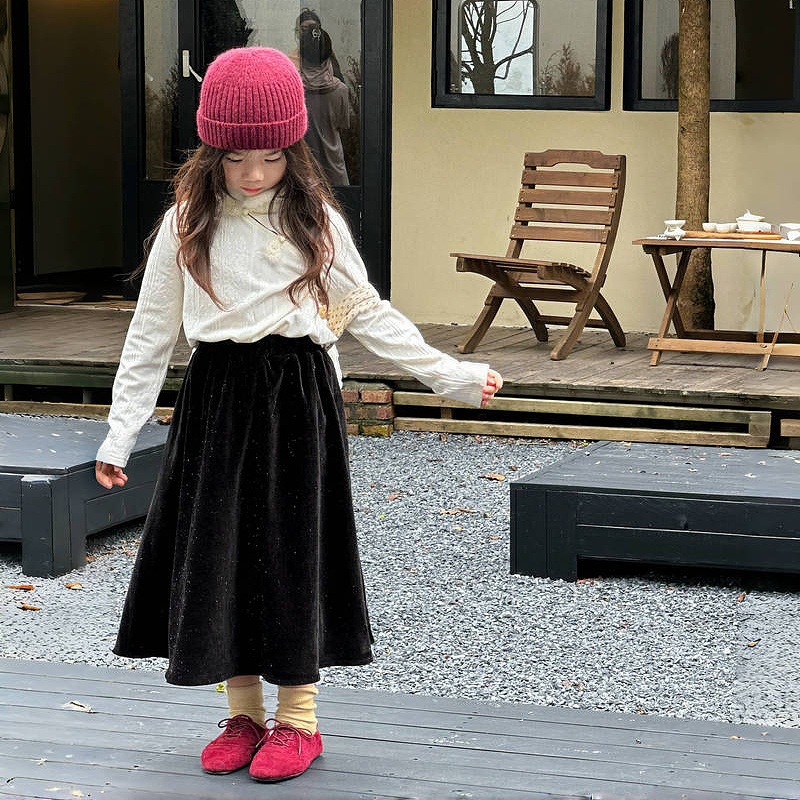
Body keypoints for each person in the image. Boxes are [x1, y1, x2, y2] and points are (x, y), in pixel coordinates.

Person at [95, 47, 502, 784]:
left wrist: (454, 377)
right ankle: (243, 714)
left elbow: (366, 314)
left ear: (295, 149)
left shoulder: (314, 221)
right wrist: (120, 434)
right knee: (219, 552)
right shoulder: (188, 223)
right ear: (211, 152)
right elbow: (150, 334)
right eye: (236, 157)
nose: (254, 173)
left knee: (292, 553)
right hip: (217, 400)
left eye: (272, 156)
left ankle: (298, 723)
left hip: (296, 402)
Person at [298, 25, 351, 186]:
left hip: (304, 172)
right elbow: (343, 126)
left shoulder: (294, 89)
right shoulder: (340, 90)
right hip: (335, 172)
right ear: (329, 53)